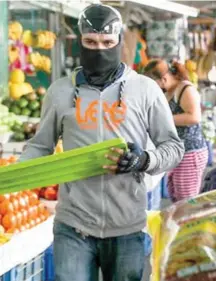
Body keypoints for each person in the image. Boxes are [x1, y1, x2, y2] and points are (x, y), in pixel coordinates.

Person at [19, 4, 184, 281]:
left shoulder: (145, 90)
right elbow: (40, 146)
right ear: (80, 43)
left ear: (119, 42)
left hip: (127, 225)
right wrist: (14, 179)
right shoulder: (59, 92)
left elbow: (173, 147)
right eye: (91, 43)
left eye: (107, 42)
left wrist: (144, 159)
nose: (99, 49)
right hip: (73, 225)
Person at [143, 59, 208, 202]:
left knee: (186, 203)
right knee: (175, 199)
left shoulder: (185, 89)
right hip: (176, 152)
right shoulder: (169, 92)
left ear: (163, 79)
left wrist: (162, 120)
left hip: (190, 152)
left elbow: (194, 117)